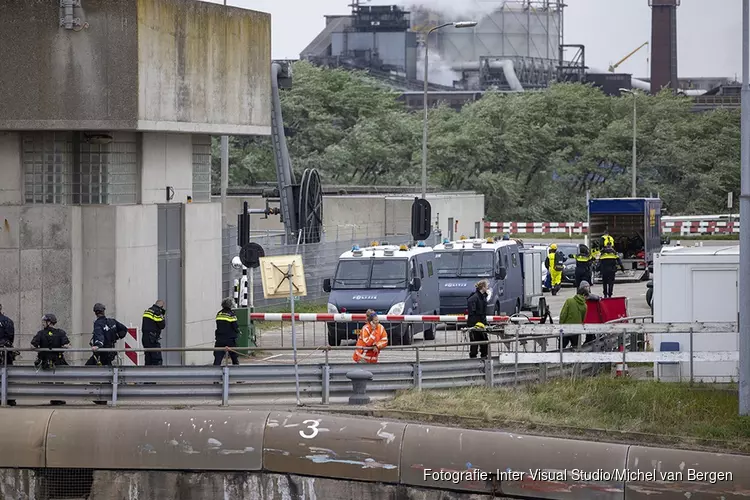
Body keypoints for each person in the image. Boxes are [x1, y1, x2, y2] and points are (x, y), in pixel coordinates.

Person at [31, 314, 70, 405]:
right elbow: (67, 345)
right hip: (58, 360)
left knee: (48, 378)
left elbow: (33, 345)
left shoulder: (41, 333)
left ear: (49, 322)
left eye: (44, 322)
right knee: (59, 379)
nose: (43, 323)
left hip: (45, 361)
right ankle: (57, 398)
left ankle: (53, 396)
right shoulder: (60, 332)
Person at [559, 281, 599, 348]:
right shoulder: (585, 306)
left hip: (565, 328)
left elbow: (563, 315)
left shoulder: (569, 301)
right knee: (575, 348)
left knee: (561, 348)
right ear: (584, 295)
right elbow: (583, 318)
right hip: (576, 330)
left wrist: (561, 325)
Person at [466, 280, 490, 359]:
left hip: (481, 323)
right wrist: (475, 324)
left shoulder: (482, 297)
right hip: (475, 324)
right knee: (475, 343)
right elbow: (473, 312)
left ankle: (483, 357)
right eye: (486, 286)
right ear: (483, 287)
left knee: (484, 342)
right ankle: (474, 358)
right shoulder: (475, 298)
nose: (487, 288)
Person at [214, 298, 240, 366]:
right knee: (234, 357)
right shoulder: (231, 314)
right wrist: (238, 331)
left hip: (219, 339)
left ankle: (214, 373)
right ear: (231, 305)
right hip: (230, 340)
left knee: (217, 359)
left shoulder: (219, 313)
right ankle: (236, 372)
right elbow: (235, 326)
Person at [0, 304, 17, 406]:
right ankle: (10, 398)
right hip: (6, 351)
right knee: (9, 374)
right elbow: (10, 338)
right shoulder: (8, 321)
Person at [141, 300, 166, 366]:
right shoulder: (157, 313)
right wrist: (162, 315)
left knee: (148, 359)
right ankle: (156, 375)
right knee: (157, 359)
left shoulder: (147, 311)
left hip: (145, 338)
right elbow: (162, 325)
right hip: (152, 339)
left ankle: (147, 375)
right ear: (161, 306)